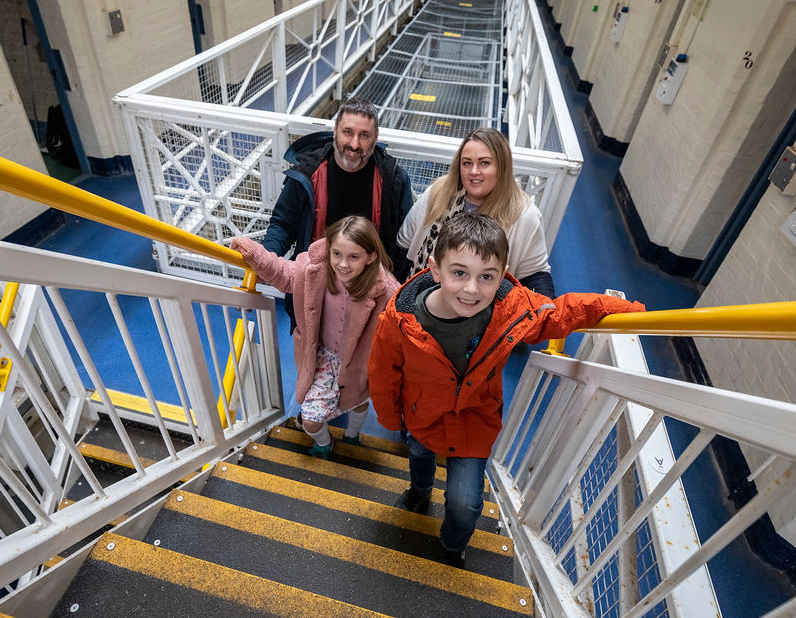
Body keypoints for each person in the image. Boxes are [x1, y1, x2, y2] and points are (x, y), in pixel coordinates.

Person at [368, 213, 644, 567]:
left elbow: (559, 313)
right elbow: (383, 371)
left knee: (466, 503)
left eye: (486, 277)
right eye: (459, 273)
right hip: (422, 413)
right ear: (435, 270)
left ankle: (451, 546)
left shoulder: (509, 308)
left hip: (474, 420)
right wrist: (391, 415)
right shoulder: (400, 319)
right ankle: (419, 492)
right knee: (419, 456)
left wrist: (623, 312)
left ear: (503, 274)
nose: (471, 289)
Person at [232, 215, 399, 458]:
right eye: (337, 254)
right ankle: (325, 443)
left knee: (360, 398)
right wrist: (252, 251)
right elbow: (281, 271)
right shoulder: (314, 270)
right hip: (323, 356)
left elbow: (401, 327)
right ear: (329, 249)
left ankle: (353, 436)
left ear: (370, 257)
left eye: (354, 256)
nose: (343, 264)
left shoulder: (387, 291)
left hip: (360, 362)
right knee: (310, 420)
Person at [262, 97, 414, 328]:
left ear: (375, 138)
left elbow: (403, 241)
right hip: (314, 288)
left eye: (364, 135)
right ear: (335, 131)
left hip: (368, 295)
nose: (354, 144)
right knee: (308, 352)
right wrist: (265, 258)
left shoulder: (393, 180)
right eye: (348, 132)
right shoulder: (308, 173)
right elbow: (283, 224)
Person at [396, 127, 556, 298]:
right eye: (467, 163)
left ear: (502, 167)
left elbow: (535, 277)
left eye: (484, 163)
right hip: (421, 298)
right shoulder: (437, 193)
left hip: (479, 310)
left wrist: (546, 312)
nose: (474, 171)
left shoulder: (524, 215)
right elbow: (403, 246)